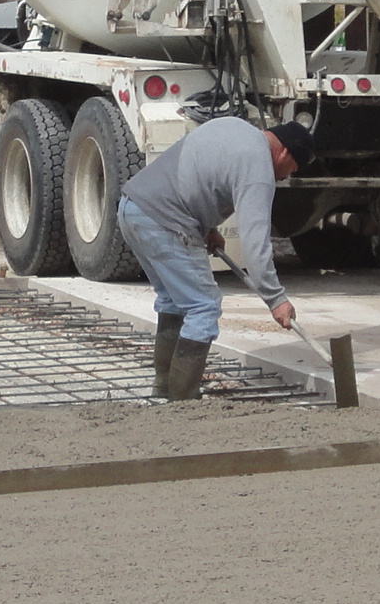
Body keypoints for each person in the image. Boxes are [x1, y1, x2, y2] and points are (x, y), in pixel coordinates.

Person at [117, 115, 315, 401]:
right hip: (165, 221)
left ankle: (164, 387)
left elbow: (195, 172)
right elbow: (255, 244)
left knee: (174, 300)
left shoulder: (233, 127)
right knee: (203, 307)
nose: (285, 177)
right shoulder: (259, 167)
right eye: (291, 169)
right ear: (285, 152)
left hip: (132, 208)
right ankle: (183, 401)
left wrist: (207, 227)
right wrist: (276, 299)